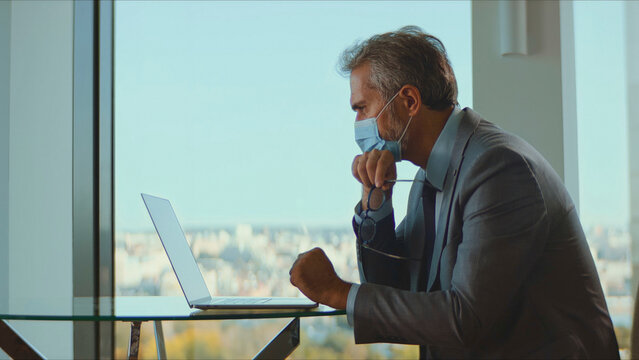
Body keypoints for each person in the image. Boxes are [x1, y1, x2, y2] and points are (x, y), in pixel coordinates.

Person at [289, 26, 619, 358]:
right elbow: (394, 287)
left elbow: (466, 318)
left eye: (362, 108)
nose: (357, 122)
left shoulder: (498, 168)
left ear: (409, 100)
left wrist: (338, 293)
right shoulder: (428, 178)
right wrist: (376, 200)